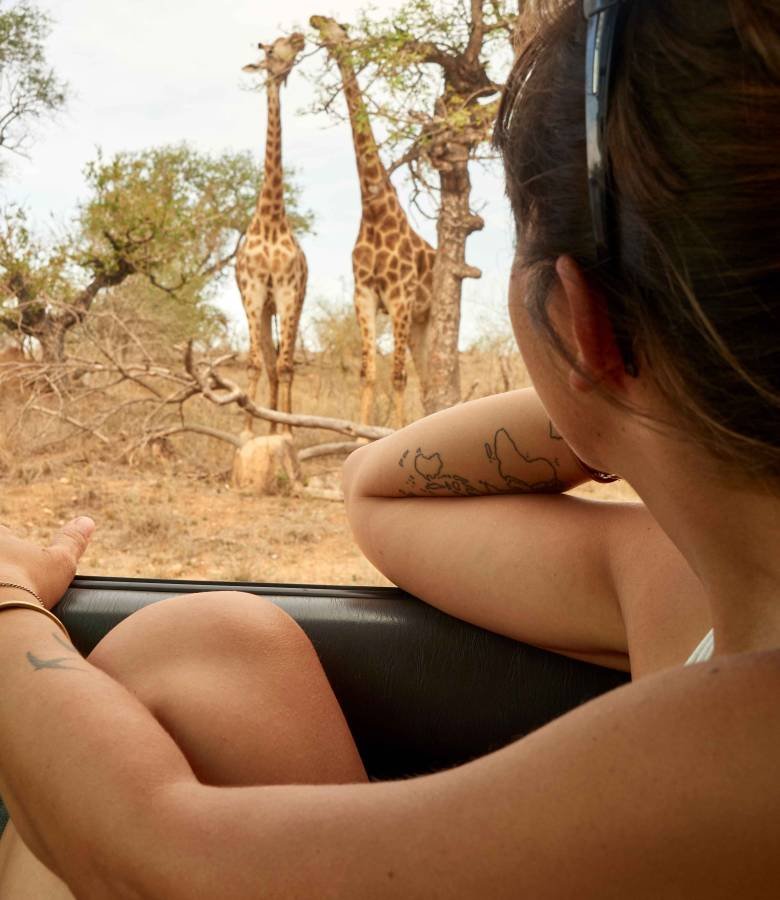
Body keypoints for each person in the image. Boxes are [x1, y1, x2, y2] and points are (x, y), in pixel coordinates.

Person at [0, 0, 779, 895]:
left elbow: (158, 855)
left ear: (578, 321)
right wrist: (641, 405)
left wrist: (6, 600)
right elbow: (378, 493)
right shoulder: (694, 586)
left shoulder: (742, 747)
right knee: (207, 645)